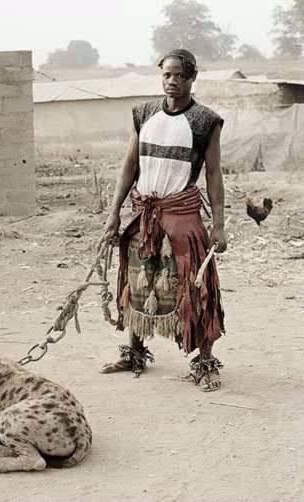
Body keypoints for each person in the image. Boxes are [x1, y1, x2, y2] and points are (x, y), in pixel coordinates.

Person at [99, 49, 227, 392]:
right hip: (144, 214)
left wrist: (218, 224)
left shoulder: (205, 121)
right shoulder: (143, 114)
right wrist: (114, 212)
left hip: (182, 215)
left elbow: (214, 174)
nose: (172, 81)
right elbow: (130, 165)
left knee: (195, 289)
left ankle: (204, 363)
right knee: (138, 282)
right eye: (167, 75)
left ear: (192, 78)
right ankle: (134, 353)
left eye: (180, 76)